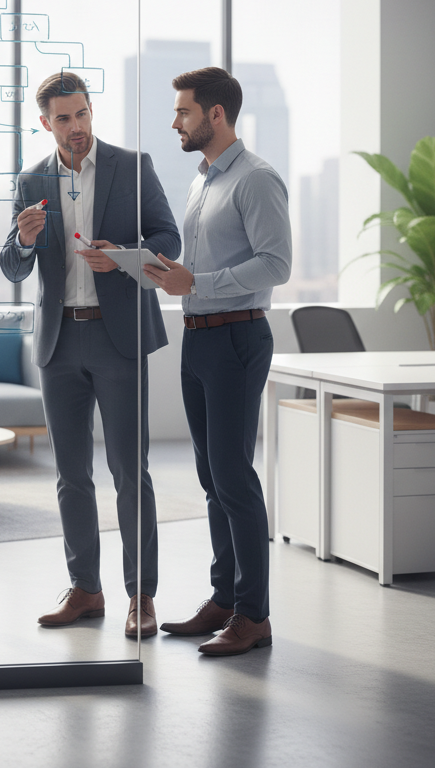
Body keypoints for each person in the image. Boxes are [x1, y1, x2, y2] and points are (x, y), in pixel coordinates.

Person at [0, 71, 180, 638]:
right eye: (62, 119)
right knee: (71, 476)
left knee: (130, 471)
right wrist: (24, 240)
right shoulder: (31, 181)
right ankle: (86, 589)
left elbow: (168, 240)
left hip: (118, 336)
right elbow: (11, 265)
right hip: (59, 342)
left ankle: (141, 595)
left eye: (81, 115)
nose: (75, 127)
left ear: (90, 111)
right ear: (45, 123)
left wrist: (125, 256)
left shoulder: (132, 166)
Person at [143, 66, 291, 656]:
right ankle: (225, 598)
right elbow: (191, 274)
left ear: (216, 115)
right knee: (211, 478)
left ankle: (254, 616)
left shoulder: (256, 179)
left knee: (234, 477)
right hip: (198, 337)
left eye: (183, 111)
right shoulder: (202, 180)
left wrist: (198, 280)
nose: (175, 121)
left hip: (237, 337)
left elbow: (276, 264)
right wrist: (154, 268)